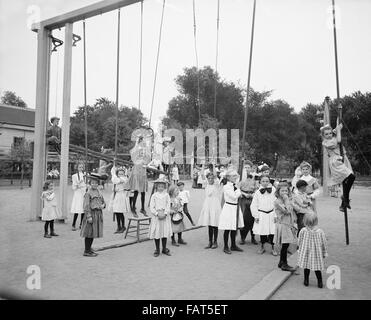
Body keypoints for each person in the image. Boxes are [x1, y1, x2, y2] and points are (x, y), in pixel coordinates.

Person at [321, 123, 355, 211]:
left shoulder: (333, 137)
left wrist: (337, 129)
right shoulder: (326, 142)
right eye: (326, 134)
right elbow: (339, 140)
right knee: (351, 177)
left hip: (342, 159)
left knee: (347, 180)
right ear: (323, 135)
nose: (329, 135)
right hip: (336, 162)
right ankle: (345, 198)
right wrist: (338, 131)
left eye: (330, 133)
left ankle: (343, 203)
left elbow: (337, 134)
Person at [297, 212, 328, 288]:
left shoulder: (303, 231)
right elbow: (324, 242)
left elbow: (299, 240)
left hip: (306, 252)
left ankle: (306, 281)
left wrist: (300, 249)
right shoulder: (320, 231)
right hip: (316, 254)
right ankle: (319, 282)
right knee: (317, 268)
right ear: (316, 221)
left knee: (306, 266)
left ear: (305, 221)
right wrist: (324, 252)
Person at [218, 169, 244, 254]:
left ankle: (233, 245)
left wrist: (237, 188)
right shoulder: (226, 187)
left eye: (236, 175)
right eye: (233, 176)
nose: (235, 177)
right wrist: (239, 190)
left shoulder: (235, 185)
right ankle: (226, 246)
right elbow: (234, 196)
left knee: (234, 227)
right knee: (228, 227)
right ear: (228, 177)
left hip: (235, 207)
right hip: (229, 207)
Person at [274, 182, 297, 272]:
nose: (284, 193)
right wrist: (287, 199)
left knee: (286, 245)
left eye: (286, 191)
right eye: (282, 191)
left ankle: (281, 262)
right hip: (283, 225)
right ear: (278, 191)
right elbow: (287, 211)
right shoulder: (278, 202)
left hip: (288, 224)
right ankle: (284, 264)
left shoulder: (287, 200)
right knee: (284, 245)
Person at [251, 175, 278, 255]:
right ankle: (262, 246)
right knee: (263, 232)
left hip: (271, 213)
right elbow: (254, 205)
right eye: (263, 181)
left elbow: (277, 203)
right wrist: (256, 216)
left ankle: (273, 248)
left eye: (267, 181)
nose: (265, 183)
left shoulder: (273, 190)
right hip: (262, 214)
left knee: (272, 232)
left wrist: (276, 215)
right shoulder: (257, 192)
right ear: (260, 182)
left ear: (269, 181)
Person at [80, 174, 106, 257]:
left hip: (98, 214)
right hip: (91, 214)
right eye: (93, 183)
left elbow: (103, 201)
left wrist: (103, 205)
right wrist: (89, 216)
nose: (94, 184)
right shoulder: (88, 193)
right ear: (90, 183)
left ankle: (89, 248)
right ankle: (86, 251)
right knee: (89, 233)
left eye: (96, 183)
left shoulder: (99, 191)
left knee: (93, 233)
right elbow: (86, 206)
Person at [149, 177, 172, 257]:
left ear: (164, 187)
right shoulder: (154, 196)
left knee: (164, 232)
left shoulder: (166, 195)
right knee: (157, 232)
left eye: (162, 186)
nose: (160, 188)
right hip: (157, 217)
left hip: (165, 216)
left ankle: (164, 248)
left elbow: (168, 205)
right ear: (156, 187)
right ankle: (157, 249)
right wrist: (156, 213)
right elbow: (151, 206)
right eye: (159, 186)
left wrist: (165, 213)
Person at [128, 136, 150, 216]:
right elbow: (133, 154)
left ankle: (143, 208)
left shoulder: (145, 150)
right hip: (137, 170)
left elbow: (148, 158)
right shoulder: (136, 149)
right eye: (142, 141)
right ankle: (133, 208)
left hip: (143, 171)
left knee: (143, 191)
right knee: (136, 191)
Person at [110, 165, 131, 234]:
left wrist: (113, 173)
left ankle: (123, 226)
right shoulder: (117, 178)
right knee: (116, 212)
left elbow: (115, 180)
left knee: (120, 212)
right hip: (116, 196)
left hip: (121, 196)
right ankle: (118, 226)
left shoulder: (124, 179)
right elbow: (114, 186)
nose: (120, 175)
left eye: (122, 173)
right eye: (119, 174)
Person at [239, 176, 258, 245]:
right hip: (243, 199)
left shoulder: (255, 181)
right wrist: (244, 194)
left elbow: (257, 189)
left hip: (252, 199)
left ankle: (253, 237)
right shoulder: (241, 180)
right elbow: (237, 189)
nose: (247, 169)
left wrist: (253, 194)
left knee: (252, 218)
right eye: (246, 167)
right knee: (244, 218)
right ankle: (242, 237)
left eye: (249, 167)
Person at [71, 163, 86, 231]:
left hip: (84, 193)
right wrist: (79, 183)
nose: (81, 168)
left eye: (82, 167)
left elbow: (87, 184)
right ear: (77, 168)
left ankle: (81, 224)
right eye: (80, 167)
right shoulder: (74, 176)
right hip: (78, 193)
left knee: (83, 209)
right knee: (77, 209)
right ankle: (73, 224)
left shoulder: (85, 175)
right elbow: (74, 187)